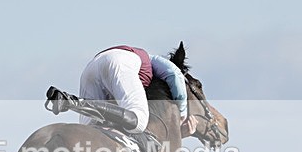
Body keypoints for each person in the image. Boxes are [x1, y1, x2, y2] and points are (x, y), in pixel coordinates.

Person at [49, 45, 196, 137]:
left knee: (91, 131)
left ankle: (69, 101)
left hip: (90, 69)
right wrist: (181, 114)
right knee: (139, 122)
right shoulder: (153, 60)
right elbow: (174, 73)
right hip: (119, 61)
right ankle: (74, 103)